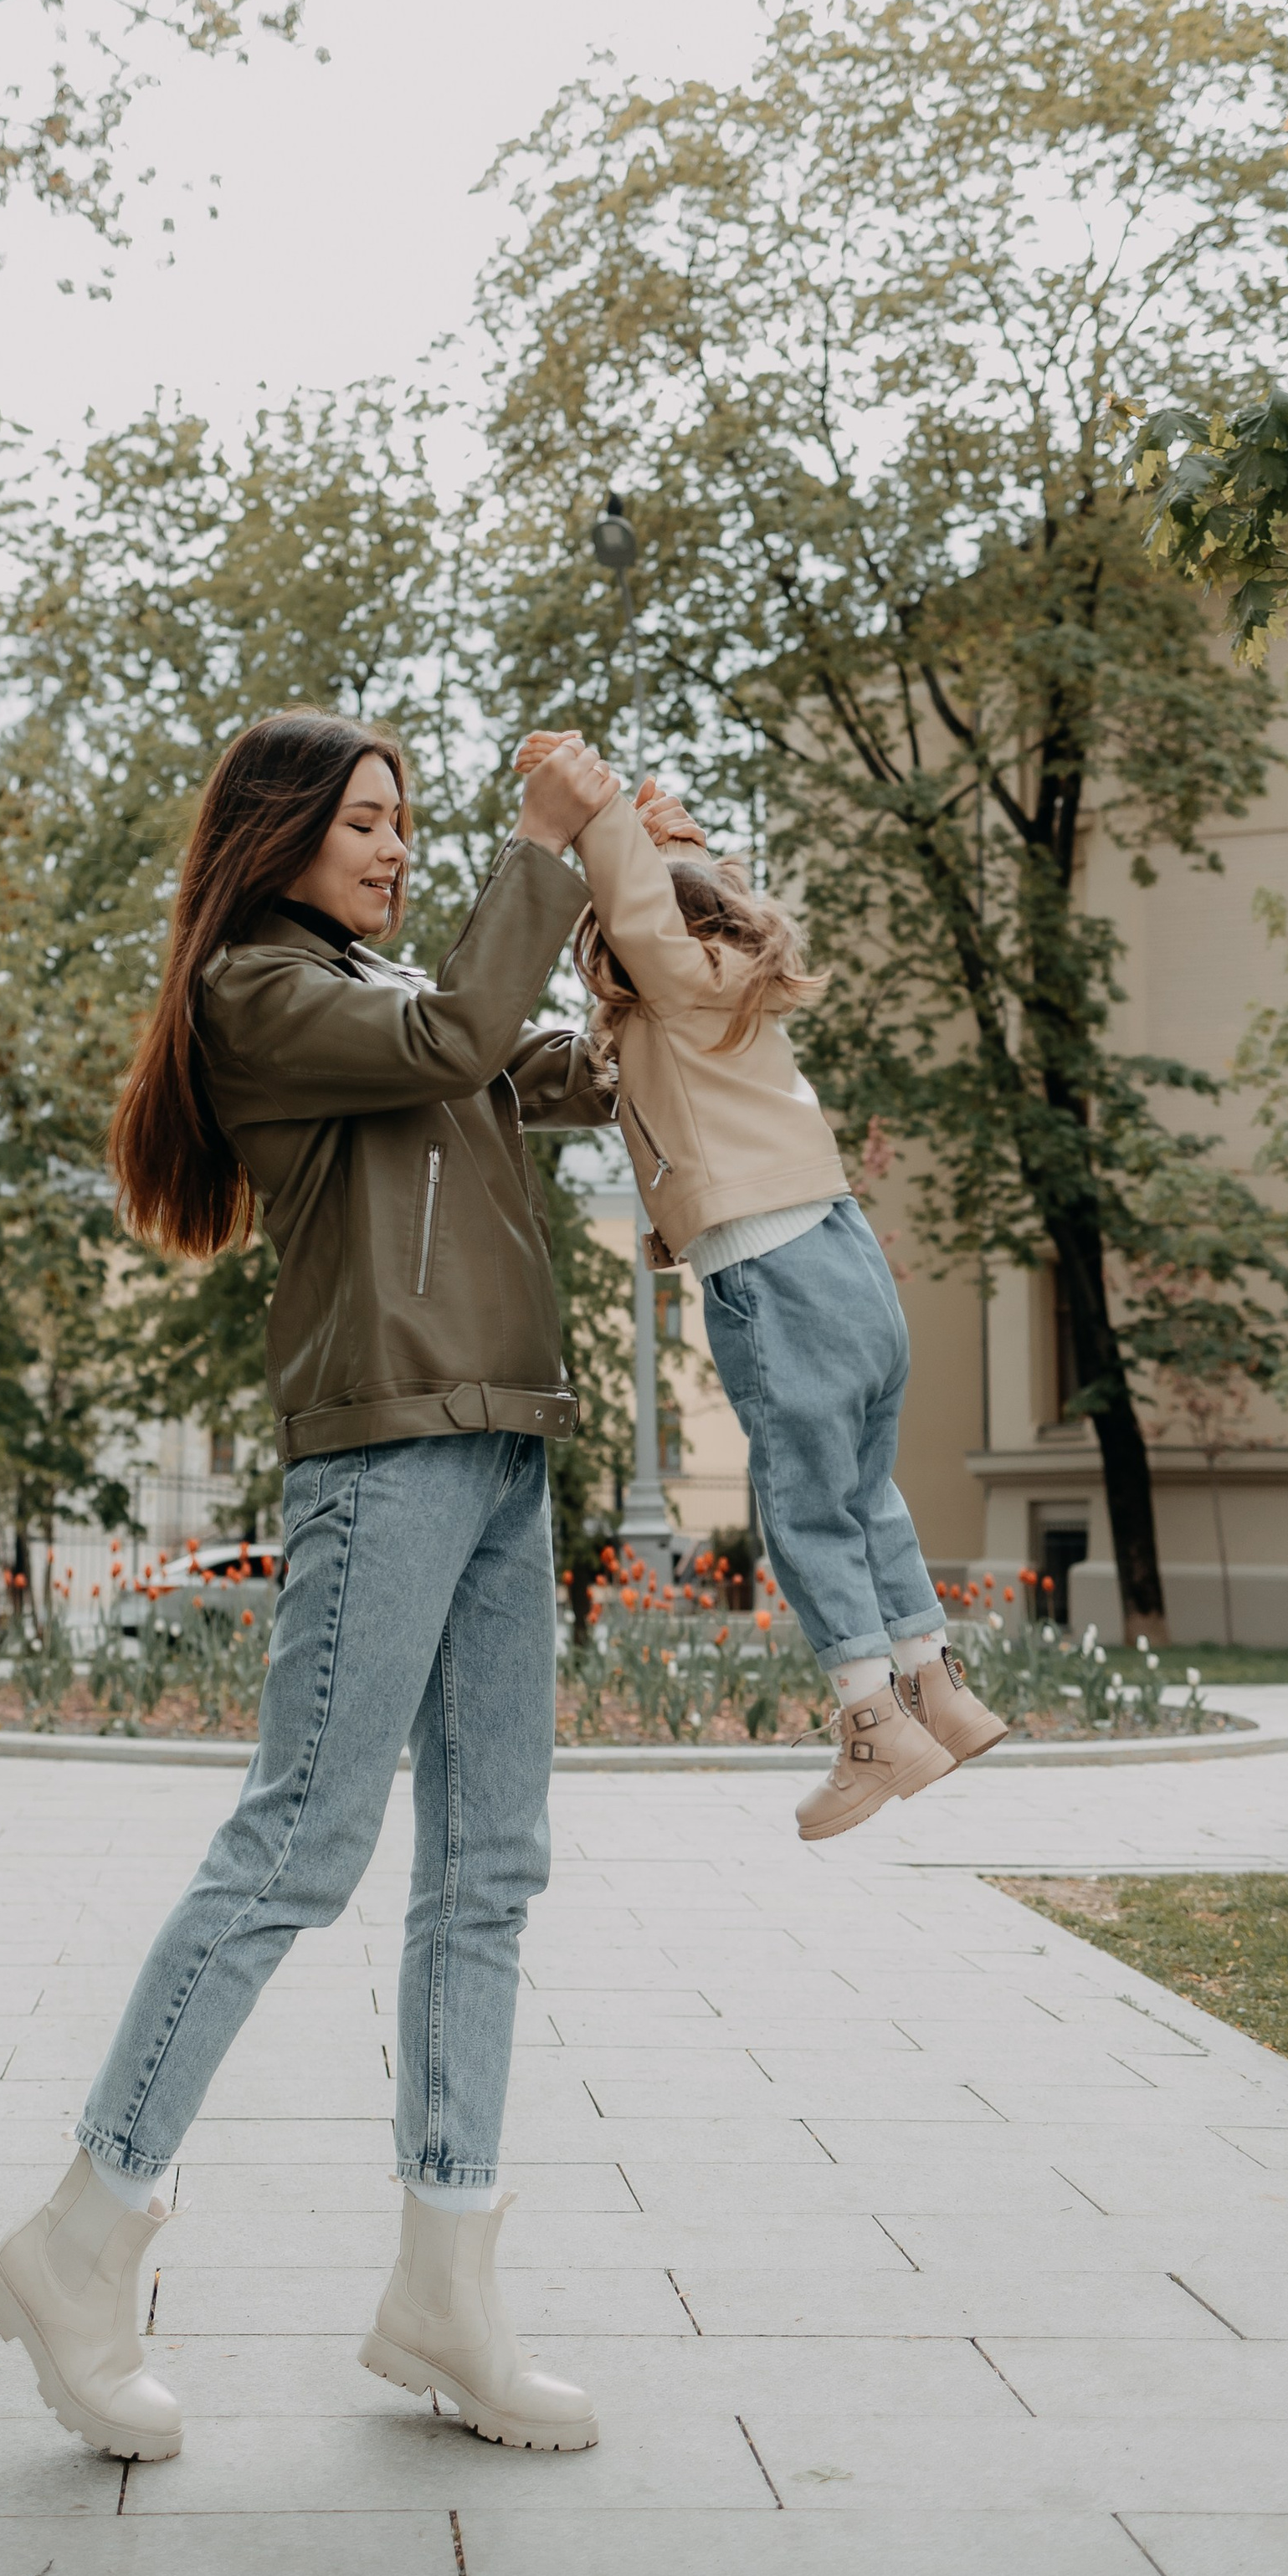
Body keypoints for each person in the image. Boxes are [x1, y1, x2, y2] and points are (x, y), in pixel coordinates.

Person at [0, 707, 618, 2465]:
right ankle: (79, 2240)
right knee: (295, 1849)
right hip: (383, 1457)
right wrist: (544, 853)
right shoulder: (264, 991)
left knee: (488, 1869)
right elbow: (459, 1028)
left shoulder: (392, 1002)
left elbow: (518, 1059)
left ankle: (447, 2293)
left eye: (409, 825)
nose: (396, 851)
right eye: (368, 825)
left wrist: (636, 994)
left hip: (498, 1447)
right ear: (279, 839)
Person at [539, 739, 1009, 1836]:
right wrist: (676, 831)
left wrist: (600, 812)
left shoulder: (674, 984)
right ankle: (936, 1685)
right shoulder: (736, 993)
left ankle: (871, 1723)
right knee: (863, 1490)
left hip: (772, 1276)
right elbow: (687, 905)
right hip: (847, 1259)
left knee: (801, 1508)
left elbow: (649, 919)